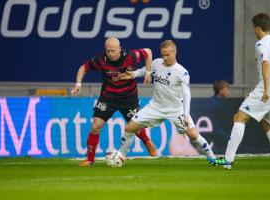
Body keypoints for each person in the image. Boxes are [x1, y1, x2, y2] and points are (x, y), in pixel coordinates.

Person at [116, 40, 216, 161]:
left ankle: (213, 159)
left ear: (175, 52)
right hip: (155, 107)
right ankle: (120, 157)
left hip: (176, 109)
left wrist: (186, 114)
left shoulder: (181, 72)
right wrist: (133, 74)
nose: (164, 57)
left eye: (167, 54)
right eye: (163, 54)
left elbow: (186, 93)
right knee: (129, 128)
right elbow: (144, 71)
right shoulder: (157, 63)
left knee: (193, 135)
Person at [209, 13, 270, 170]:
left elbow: (266, 65)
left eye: (253, 28)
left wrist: (266, 90)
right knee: (267, 124)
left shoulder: (261, 44)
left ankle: (228, 160)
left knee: (239, 117)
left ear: (257, 28)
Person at [72, 37, 156, 166]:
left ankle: (146, 140)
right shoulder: (101, 60)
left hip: (129, 98)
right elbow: (83, 68)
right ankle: (90, 160)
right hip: (108, 98)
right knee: (95, 126)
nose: (110, 54)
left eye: (113, 51)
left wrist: (148, 72)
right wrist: (78, 84)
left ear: (119, 49)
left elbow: (148, 52)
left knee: (136, 128)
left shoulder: (131, 56)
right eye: (107, 51)